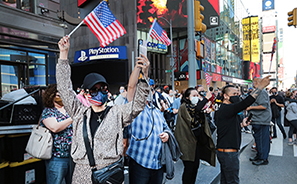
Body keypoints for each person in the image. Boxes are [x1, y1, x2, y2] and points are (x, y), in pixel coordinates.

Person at [56, 36, 150, 183]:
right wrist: (63, 54)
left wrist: (144, 77)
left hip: (109, 173)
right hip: (82, 174)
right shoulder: (79, 113)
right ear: (86, 94)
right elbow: (64, 89)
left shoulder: (117, 113)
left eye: (103, 88)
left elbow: (137, 105)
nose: (99, 93)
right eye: (94, 90)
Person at [216, 75, 270, 184]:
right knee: (232, 181)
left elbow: (227, 128)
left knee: (226, 180)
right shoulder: (227, 108)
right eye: (234, 94)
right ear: (226, 96)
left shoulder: (228, 110)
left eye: (238, 93)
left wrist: (241, 125)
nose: (237, 96)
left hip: (228, 152)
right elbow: (246, 102)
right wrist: (260, 86)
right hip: (228, 153)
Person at [174, 87, 215, 184]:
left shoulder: (195, 106)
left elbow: (198, 114)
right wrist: (205, 99)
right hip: (186, 142)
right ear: (187, 97)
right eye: (194, 95)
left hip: (196, 142)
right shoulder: (184, 106)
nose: (196, 97)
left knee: (195, 166)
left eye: (197, 95)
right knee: (189, 168)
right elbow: (195, 110)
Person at [40, 84, 73, 184]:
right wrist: (72, 118)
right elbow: (55, 127)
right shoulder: (48, 112)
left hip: (72, 156)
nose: (61, 98)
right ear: (51, 96)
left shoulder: (68, 110)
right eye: (58, 95)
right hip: (56, 157)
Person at [246, 78, 272, 165]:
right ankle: (259, 155)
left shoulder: (262, 92)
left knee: (262, 140)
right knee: (258, 140)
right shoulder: (258, 91)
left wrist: (250, 107)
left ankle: (263, 158)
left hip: (261, 119)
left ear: (256, 83)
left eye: (253, 81)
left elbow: (263, 106)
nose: (252, 83)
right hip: (257, 119)